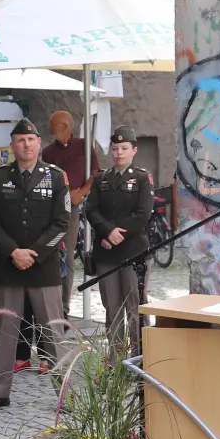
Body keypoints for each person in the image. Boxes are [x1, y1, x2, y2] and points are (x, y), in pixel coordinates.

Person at [0, 118, 69, 413]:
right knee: (6, 333)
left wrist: (34, 253)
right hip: (8, 266)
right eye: (20, 140)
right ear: (12, 145)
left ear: (39, 143)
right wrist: (14, 251)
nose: (26, 145)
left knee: (52, 333)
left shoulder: (56, 177)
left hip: (44, 268)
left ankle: (67, 395)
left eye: (30, 140)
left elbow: (62, 224)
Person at [83, 125, 154, 349]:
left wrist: (115, 233)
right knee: (112, 308)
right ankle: (115, 359)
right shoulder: (101, 178)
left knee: (136, 307)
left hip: (134, 253)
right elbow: (90, 209)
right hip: (106, 254)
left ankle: (139, 357)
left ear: (134, 150)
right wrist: (107, 231)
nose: (119, 153)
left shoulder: (142, 178)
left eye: (124, 148)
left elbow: (142, 215)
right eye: (115, 148)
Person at [41, 110, 100, 307]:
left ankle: (64, 306)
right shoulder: (48, 152)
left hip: (72, 209)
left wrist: (81, 192)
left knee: (67, 255)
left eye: (53, 125)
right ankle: (51, 303)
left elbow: (95, 174)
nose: (50, 129)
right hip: (51, 209)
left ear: (64, 126)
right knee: (49, 254)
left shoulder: (84, 146)